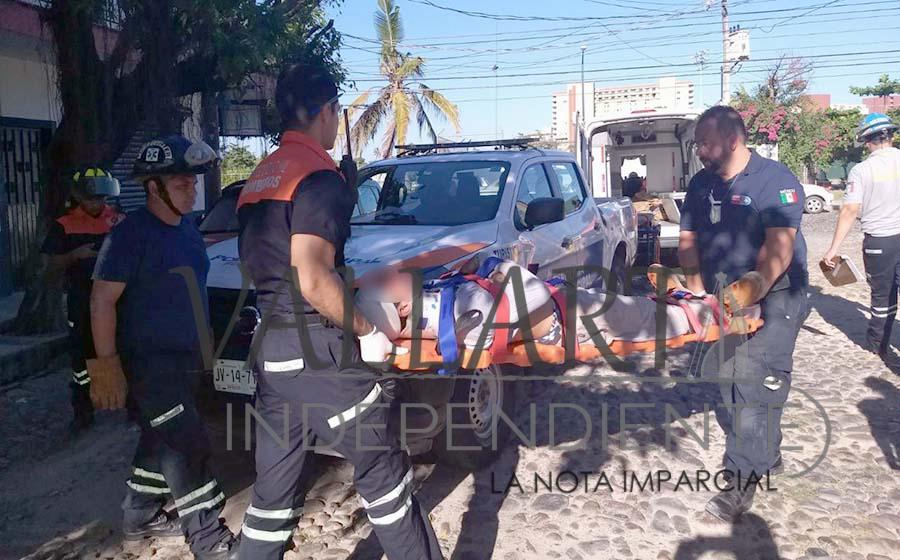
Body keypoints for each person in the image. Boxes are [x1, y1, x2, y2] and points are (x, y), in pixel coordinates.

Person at [235, 62, 442, 560]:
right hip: (320, 354)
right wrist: (366, 327)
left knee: (272, 497)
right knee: (386, 480)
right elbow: (310, 275)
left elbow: (275, 267)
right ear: (327, 111)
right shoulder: (317, 177)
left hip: (274, 354)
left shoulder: (259, 178)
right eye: (336, 112)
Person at [89, 135, 239, 559]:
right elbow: (101, 300)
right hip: (149, 364)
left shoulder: (189, 231)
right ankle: (208, 539)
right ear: (153, 188)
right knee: (187, 444)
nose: (192, 189)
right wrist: (106, 368)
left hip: (186, 360)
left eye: (192, 182)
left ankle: (140, 515)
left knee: (159, 441)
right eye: (180, 183)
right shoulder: (129, 236)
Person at [678, 105, 810, 522]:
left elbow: (778, 250)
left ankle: (739, 481)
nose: (699, 149)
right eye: (697, 142)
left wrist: (752, 294)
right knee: (731, 379)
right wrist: (697, 292)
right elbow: (687, 238)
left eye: (705, 142)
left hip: (776, 297)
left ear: (733, 140)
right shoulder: (700, 184)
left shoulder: (776, 180)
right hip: (724, 297)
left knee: (755, 384)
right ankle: (765, 457)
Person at [40, 167, 123, 434]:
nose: (98, 204)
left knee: (127, 349)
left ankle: (133, 404)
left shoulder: (120, 220)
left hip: (120, 299)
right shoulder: (64, 225)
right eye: (92, 198)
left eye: (102, 198)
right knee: (82, 359)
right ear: (78, 197)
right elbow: (50, 266)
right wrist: (75, 255)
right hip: (81, 300)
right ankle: (84, 411)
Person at [822, 113, 900, 361]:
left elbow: (849, 210)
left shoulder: (862, 170)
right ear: (891, 136)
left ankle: (877, 344)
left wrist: (833, 249)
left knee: (882, 294)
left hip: (880, 240)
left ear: (867, 141)